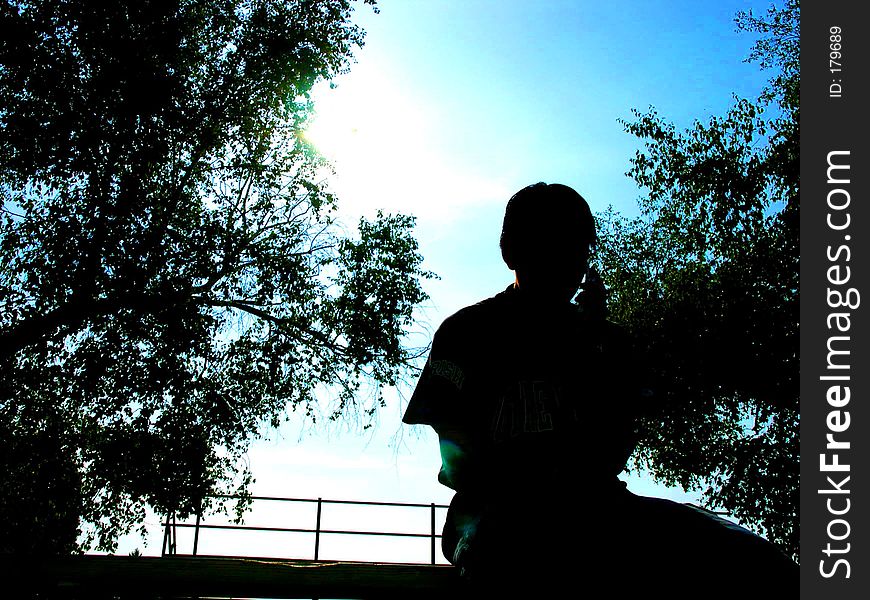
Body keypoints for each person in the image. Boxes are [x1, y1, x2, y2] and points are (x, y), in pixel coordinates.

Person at [403, 182, 797, 597]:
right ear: (511, 251)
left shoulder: (608, 342)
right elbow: (457, 453)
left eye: (576, 247)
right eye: (549, 243)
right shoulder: (466, 333)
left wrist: (596, 352)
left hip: (599, 509)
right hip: (492, 515)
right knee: (516, 564)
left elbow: (615, 447)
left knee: (760, 563)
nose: (566, 260)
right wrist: (536, 489)